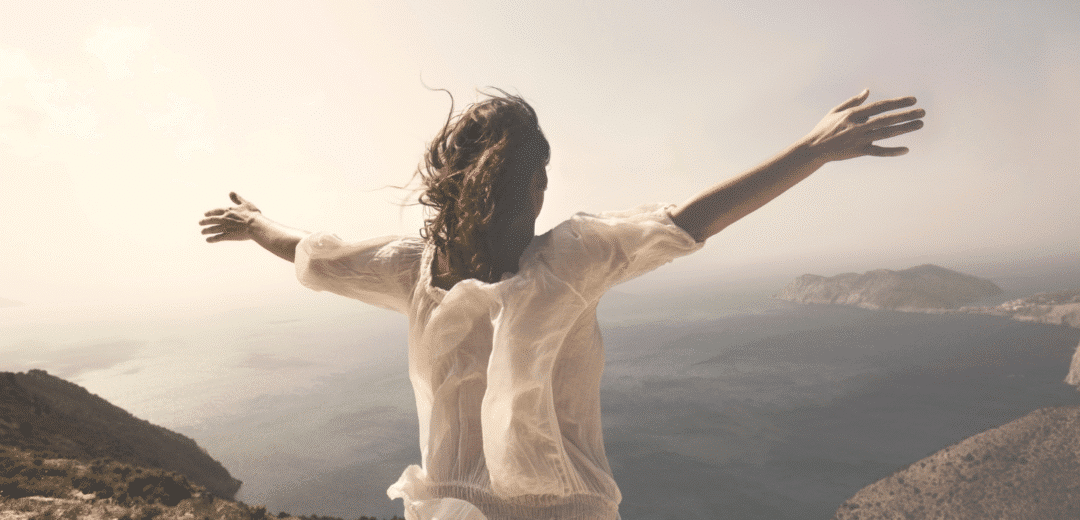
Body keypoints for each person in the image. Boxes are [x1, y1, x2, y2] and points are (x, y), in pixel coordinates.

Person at [200, 88, 924, 520]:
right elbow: (692, 218)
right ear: (536, 187)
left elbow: (313, 254)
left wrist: (255, 223)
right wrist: (813, 147)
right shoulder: (571, 258)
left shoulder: (412, 271)